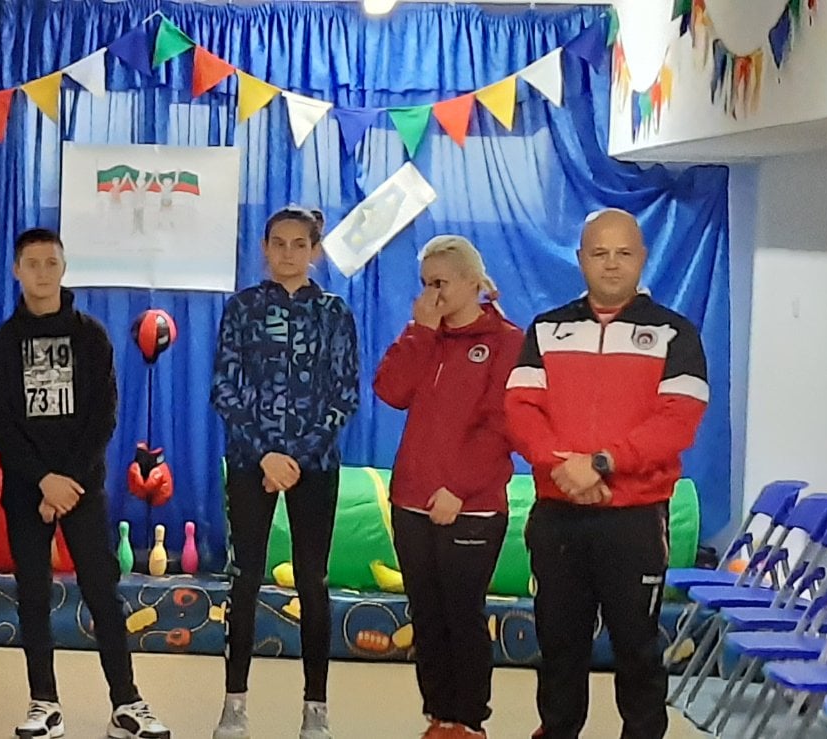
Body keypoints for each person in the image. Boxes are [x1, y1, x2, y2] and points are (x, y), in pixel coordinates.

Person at [507, 209, 707, 739]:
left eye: (623, 253)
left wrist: (601, 463)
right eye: (599, 253)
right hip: (558, 516)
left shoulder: (675, 333)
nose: (611, 264)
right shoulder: (546, 330)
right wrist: (561, 466)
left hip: (634, 520)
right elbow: (521, 410)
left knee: (637, 647)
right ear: (581, 259)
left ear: (642, 258)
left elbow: (678, 421)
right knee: (559, 645)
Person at [0, 228, 171, 739]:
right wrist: (43, 481)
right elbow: (0, 423)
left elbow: (102, 417)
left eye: (52, 263)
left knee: (102, 592)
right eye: (32, 263)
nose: (43, 273)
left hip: (82, 487)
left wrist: (66, 481)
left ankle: (127, 703)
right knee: (33, 594)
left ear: (64, 268)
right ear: (17, 270)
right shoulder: (3, 343)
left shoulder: (91, 337)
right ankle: (43, 702)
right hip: (27, 489)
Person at [212, 207, 360, 739]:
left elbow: (345, 394)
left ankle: (315, 706)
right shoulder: (242, 308)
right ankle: (234, 703)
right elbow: (224, 389)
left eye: (300, 244)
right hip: (252, 462)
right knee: (245, 577)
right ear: (265, 247)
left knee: (312, 580)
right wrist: (266, 456)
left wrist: (298, 456)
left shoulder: (334, 312)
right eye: (279, 243)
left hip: (313, 467)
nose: (289, 253)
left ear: (315, 250)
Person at [373, 236, 524, 739]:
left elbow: (503, 425)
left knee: (462, 614)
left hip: (472, 506)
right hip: (411, 500)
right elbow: (390, 390)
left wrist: (459, 488)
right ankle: (439, 716)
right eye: (425, 284)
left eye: (440, 283)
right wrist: (419, 331)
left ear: (473, 283)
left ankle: (469, 721)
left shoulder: (507, 341)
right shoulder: (425, 334)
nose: (431, 294)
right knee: (427, 614)